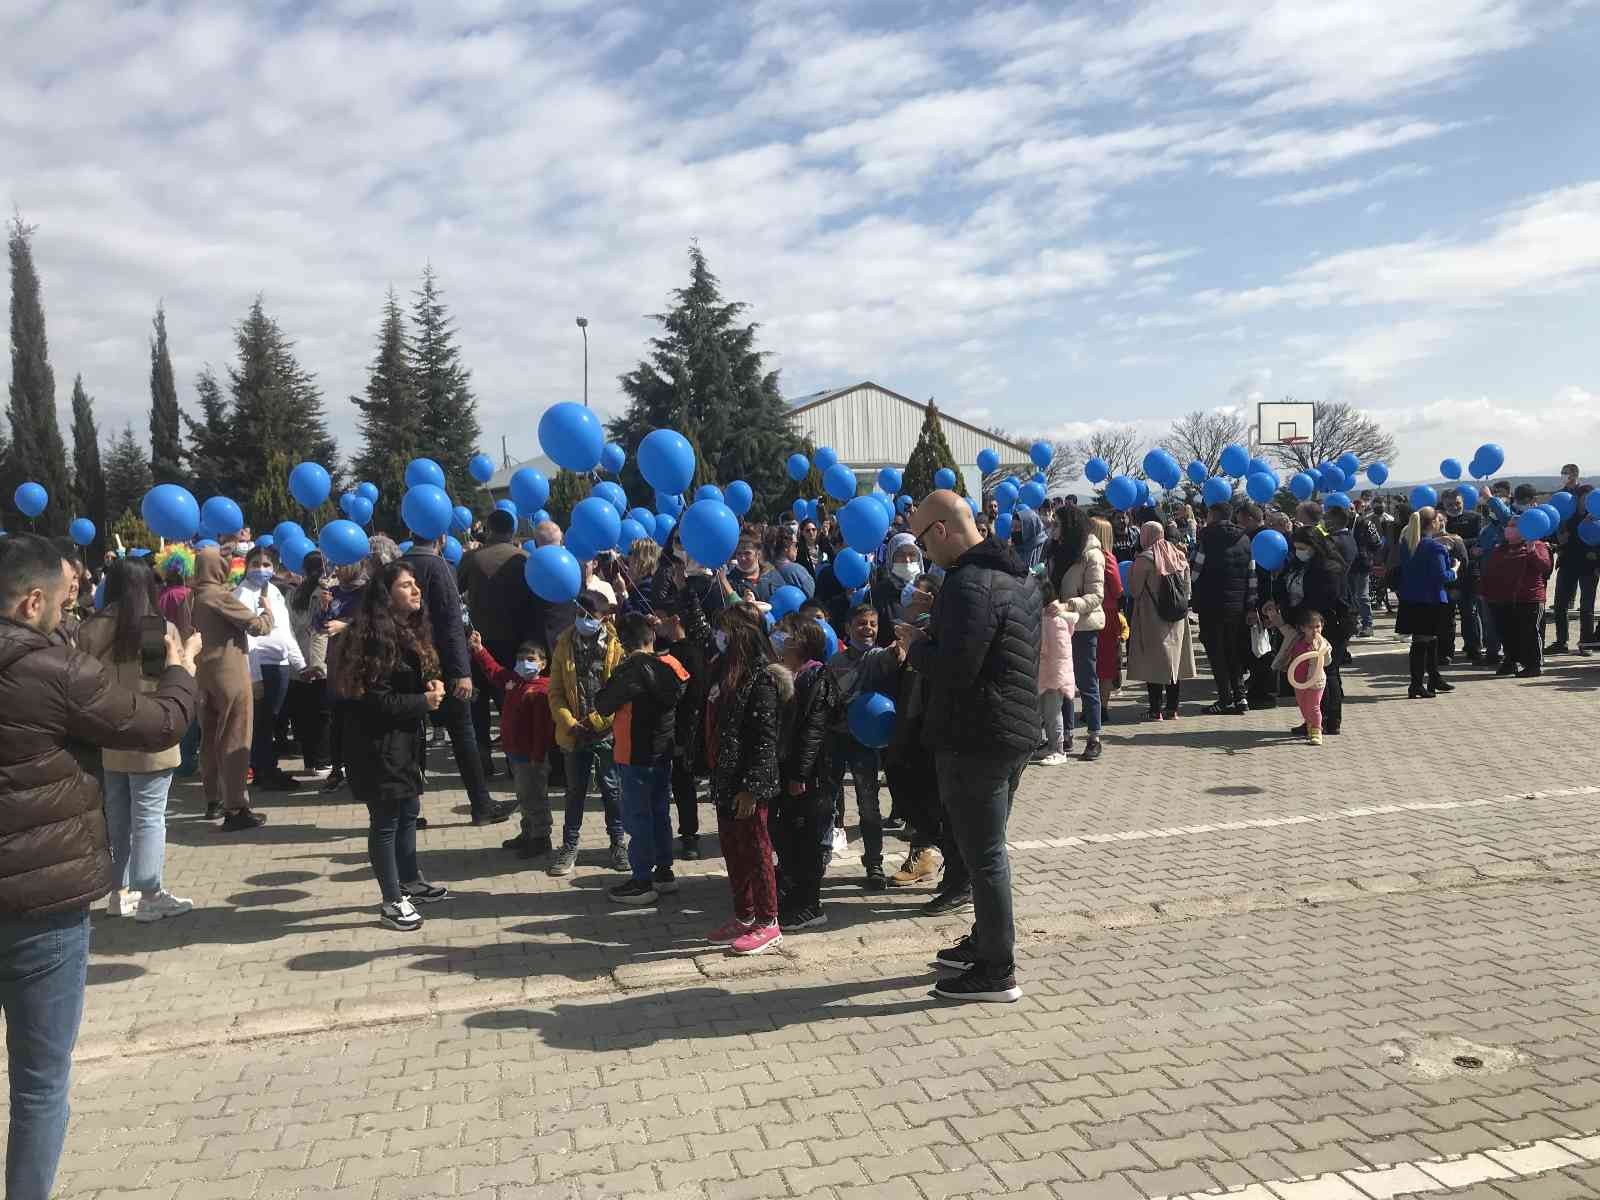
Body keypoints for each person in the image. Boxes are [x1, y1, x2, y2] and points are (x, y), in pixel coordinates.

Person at [0, 533, 199, 1198]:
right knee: (39, 1082)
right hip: (111, 747)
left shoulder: (85, 633)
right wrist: (181, 671)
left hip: (83, 750)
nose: (71, 604)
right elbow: (151, 709)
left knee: (123, 812)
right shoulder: (143, 630)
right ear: (33, 601)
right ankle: (142, 886)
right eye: (62, 597)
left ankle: (128, 886)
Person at [898, 491, 1039, 1004]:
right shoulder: (1016, 573)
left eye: (921, 540)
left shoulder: (968, 584)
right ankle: (986, 940)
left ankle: (997, 970)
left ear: (941, 532)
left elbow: (957, 667)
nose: (922, 554)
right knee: (989, 848)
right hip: (1014, 729)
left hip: (976, 736)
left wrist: (916, 646)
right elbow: (995, 638)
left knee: (985, 857)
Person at [74, 558, 194, 923]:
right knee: (150, 818)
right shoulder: (156, 628)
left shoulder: (90, 629)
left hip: (109, 733)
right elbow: (163, 681)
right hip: (151, 730)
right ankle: (150, 894)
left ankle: (118, 891)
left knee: (118, 817)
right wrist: (189, 656)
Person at [334, 560, 451, 931]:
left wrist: (431, 685)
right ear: (386, 596)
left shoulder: (408, 630)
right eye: (405, 585)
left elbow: (414, 676)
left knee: (408, 810)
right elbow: (376, 701)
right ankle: (390, 901)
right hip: (376, 745)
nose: (415, 590)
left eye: (415, 583)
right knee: (385, 821)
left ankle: (410, 880)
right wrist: (424, 702)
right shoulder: (369, 637)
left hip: (402, 742)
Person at [403, 536, 511, 825]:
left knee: (413, 735)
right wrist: (463, 671)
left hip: (410, 662)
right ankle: (481, 805)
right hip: (444, 665)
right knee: (463, 735)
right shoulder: (439, 567)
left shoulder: (399, 566)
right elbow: (449, 620)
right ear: (440, 538)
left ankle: (408, 810)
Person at [704, 605, 790, 956]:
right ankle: (744, 914)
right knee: (732, 850)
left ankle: (768, 922)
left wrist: (751, 788)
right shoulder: (724, 672)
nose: (718, 637)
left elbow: (764, 739)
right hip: (724, 778)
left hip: (748, 785)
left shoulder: (762, 678)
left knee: (756, 851)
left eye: (724, 631)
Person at [593, 613, 690, 905]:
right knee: (659, 812)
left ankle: (641, 879)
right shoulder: (671, 665)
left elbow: (603, 703)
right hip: (662, 750)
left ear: (623, 642)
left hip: (634, 752)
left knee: (637, 817)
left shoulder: (629, 670)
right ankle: (664, 872)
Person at [191, 546, 273, 829]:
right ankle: (236, 807)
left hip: (202, 674)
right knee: (236, 737)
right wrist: (268, 613)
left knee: (210, 739)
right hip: (230, 673)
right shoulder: (219, 597)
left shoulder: (191, 598)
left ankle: (213, 799)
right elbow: (257, 626)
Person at [547, 592, 627, 877]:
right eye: (579, 614)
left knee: (612, 790)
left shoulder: (617, 646)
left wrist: (596, 721)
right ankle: (569, 845)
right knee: (574, 792)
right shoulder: (564, 643)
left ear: (603, 617)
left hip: (605, 732)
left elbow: (620, 692)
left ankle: (618, 842)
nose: (582, 620)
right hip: (574, 733)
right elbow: (555, 691)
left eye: (589, 616)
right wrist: (568, 722)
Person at [459, 509, 541, 774]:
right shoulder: (525, 559)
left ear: (490, 529)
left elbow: (456, 590)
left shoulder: (471, 558)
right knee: (511, 702)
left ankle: (483, 762)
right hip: (515, 644)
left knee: (478, 707)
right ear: (512, 530)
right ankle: (513, 761)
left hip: (479, 642)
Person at [825, 603, 900, 888]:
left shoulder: (877, 657)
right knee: (828, 802)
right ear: (847, 628)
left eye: (872, 624)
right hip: (836, 738)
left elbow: (893, 657)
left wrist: (899, 648)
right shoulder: (835, 661)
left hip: (865, 743)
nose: (867, 629)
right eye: (860, 623)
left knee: (869, 805)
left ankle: (874, 864)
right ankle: (820, 857)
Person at [774, 617, 842, 930]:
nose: (781, 639)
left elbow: (813, 731)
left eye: (787, 635)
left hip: (813, 777)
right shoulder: (789, 675)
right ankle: (793, 893)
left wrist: (800, 774)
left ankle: (810, 905)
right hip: (791, 771)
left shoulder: (818, 677)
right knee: (790, 836)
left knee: (809, 840)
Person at [471, 633, 557, 859]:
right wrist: (480, 650)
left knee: (535, 797)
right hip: (515, 754)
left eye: (530, 659)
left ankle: (541, 837)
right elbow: (494, 671)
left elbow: (542, 731)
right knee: (523, 796)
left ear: (543, 663)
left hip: (532, 758)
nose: (524, 663)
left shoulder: (542, 690)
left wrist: (538, 758)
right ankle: (528, 832)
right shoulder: (514, 682)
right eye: (520, 658)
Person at [235, 546, 304, 791]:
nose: (261, 569)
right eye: (255, 564)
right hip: (260, 665)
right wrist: (254, 678)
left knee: (272, 721)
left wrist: (300, 664)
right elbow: (247, 639)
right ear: (246, 566)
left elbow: (285, 631)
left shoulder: (274, 592)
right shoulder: (243, 594)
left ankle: (269, 765)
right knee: (262, 722)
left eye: (266, 564)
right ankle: (264, 770)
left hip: (280, 665)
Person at [1275, 527, 1350, 735]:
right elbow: (1285, 585)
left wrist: (1292, 614)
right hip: (1304, 623)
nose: (1299, 551)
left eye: (1303, 548)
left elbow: (1320, 601)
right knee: (1310, 673)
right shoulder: (1296, 564)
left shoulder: (1329, 567)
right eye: (1296, 547)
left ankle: (1330, 720)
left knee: (1327, 670)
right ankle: (1312, 718)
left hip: (1329, 624)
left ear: (1314, 546)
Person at [1047, 504, 1105, 761]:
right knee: (1063, 681)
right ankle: (1066, 734)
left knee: (1085, 680)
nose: (1053, 529)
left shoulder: (1091, 553)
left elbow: (1096, 595)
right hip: (1059, 624)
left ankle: (1094, 736)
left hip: (1083, 625)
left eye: (1057, 524)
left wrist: (1070, 604)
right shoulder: (1054, 551)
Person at [1125, 520, 1196, 721]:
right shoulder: (1179, 555)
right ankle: (1173, 708)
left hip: (1151, 615)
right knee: (1175, 661)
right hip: (1177, 616)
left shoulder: (1144, 559)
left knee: (1153, 661)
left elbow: (1135, 589)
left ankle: (1155, 709)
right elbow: (1187, 589)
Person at [1193, 502, 1253, 715]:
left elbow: (1196, 571)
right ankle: (1241, 696)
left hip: (1212, 603)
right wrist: (1251, 604)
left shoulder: (1207, 538)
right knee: (1233, 651)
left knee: (1217, 653)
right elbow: (1251, 573)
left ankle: (1225, 698)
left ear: (1213, 515)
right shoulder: (1245, 538)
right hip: (1237, 604)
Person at [1397, 506, 1458, 699]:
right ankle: (1416, 684)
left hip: (1411, 598)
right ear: (1432, 523)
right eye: (1438, 520)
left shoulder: (1407, 543)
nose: (1441, 522)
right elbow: (1442, 576)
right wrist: (1455, 569)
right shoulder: (1435, 547)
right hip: (1430, 599)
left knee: (1429, 640)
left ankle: (1433, 677)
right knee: (1422, 642)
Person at [1482, 523, 1553, 677]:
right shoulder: (1501, 548)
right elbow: (1490, 571)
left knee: (1528, 632)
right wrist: (1485, 591)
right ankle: (1510, 661)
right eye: (1508, 526)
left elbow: (1545, 567)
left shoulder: (1537, 545)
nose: (1508, 529)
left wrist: (1532, 551)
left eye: (1513, 526)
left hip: (1529, 597)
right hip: (1503, 598)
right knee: (1508, 632)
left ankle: (1533, 665)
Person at [286, 552, 331, 775]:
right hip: (318, 662)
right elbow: (321, 630)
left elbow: (289, 628)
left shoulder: (292, 595)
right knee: (321, 713)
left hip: (297, 662)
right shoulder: (324, 594)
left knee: (303, 715)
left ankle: (310, 760)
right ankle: (323, 760)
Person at [1547, 484, 1599, 657]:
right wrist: (1559, 540)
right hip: (1568, 564)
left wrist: (1596, 556)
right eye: (1584, 498)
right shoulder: (1566, 517)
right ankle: (1561, 641)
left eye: (1589, 498)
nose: (1586, 501)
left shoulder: (1596, 517)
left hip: (1588, 567)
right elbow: (1554, 539)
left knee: (1586, 607)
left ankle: (1586, 643)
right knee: (1560, 605)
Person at [1272, 610, 1332, 745]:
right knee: (1304, 706)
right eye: (1311, 627)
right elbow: (1284, 628)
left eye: (1318, 626)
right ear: (1302, 628)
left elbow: (1327, 662)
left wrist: (1323, 651)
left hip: (1315, 681)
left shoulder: (1323, 643)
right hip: (1298, 680)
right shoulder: (1295, 638)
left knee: (1314, 707)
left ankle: (1317, 731)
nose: (1315, 630)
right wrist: (1274, 616)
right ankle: (1310, 726)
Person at [1086, 515, 1124, 724]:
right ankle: (1103, 705)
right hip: (1107, 614)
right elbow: (1118, 588)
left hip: (1090, 613)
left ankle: (1091, 706)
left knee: (1090, 662)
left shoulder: (1084, 556)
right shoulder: (1108, 557)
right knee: (1106, 664)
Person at [1034, 580, 1077, 762]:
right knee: (1046, 713)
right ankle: (1051, 746)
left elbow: (1058, 654)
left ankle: (1058, 750)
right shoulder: (1047, 617)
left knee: (1052, 714)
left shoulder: (1055, 620)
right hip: (1047, 674)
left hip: (1054, 675)